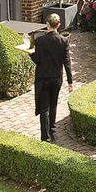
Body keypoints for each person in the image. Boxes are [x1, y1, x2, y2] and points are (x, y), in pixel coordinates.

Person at [28, 13, 73, 142]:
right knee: (53, 104)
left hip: (42, 78)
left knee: (44, 108)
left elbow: (37, 60)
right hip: (56, 79)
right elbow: (67, 62)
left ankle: (45, 136)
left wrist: (30, 53)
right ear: (58, 25)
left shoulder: (40, 41)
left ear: (47, 24)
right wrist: (70, 81)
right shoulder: (63, 41)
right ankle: (52, 130)